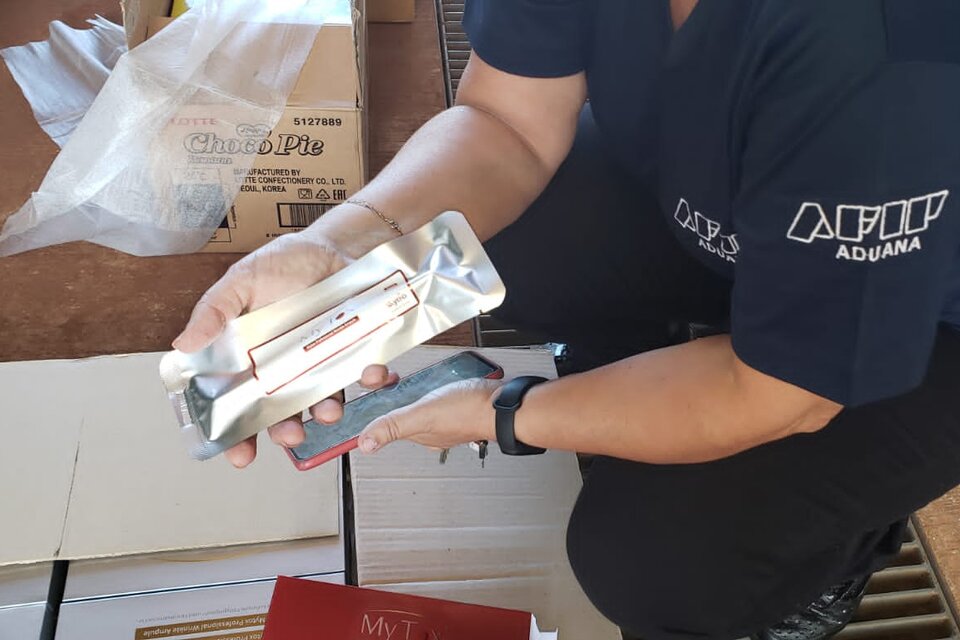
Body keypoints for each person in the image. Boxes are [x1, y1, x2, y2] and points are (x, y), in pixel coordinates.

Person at [173, 1, 960, 638]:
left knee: (650, 563)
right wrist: (340, 246)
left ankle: (837, 548)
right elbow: (507, 122)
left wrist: (505, 411)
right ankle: (652, 379)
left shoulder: (882, 46)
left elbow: (782, 393)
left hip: (922, 313)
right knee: (466, 255)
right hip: (743, 213)